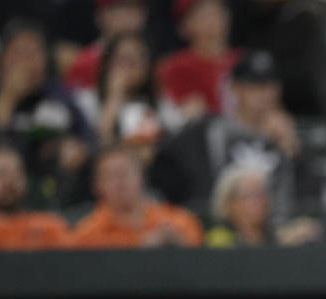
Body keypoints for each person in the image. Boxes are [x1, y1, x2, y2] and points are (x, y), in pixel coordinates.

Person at [150, 48, 308, 225]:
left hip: (271, 236)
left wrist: (293, 156)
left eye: (271, 85)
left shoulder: (283, 137)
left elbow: (302, 202)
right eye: (255, 85)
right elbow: (165, 172)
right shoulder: (209, 130)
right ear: (235, 88)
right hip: (218, 233)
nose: (265, 93)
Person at [0, 18, 94, 208]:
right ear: (1, 60)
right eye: (18, 52)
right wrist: (8, 97)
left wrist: (77, 149)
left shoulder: (59, 96)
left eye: (34, 52)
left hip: (53, 192)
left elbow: (89, 138)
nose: (26, 61)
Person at [70, 144, 203, 247]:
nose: (119, 183)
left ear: (141, 178)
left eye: (124, 173)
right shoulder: (87, 234)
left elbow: (195, 242)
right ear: (97, 185)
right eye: (110, 176)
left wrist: (177, 241)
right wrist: (141, 244)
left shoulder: (175, 220)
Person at [155, 0, 239, 125]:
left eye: (217, 13)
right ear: (184, 26)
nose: (212, 22)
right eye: (203, 16)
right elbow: (183, 113)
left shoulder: (243, 60)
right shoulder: (176, 66)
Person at [62, 0, 148, 91]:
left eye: (133, 11)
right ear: (100, 16)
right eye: (119, 11)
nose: (127, 20)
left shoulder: (153, 61)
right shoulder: (84, 62)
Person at [204, 163, 274, 246]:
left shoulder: (279, 239)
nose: (258, 202)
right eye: (248, 195)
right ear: (229, 203)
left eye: (261, 194)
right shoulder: (219, 242)